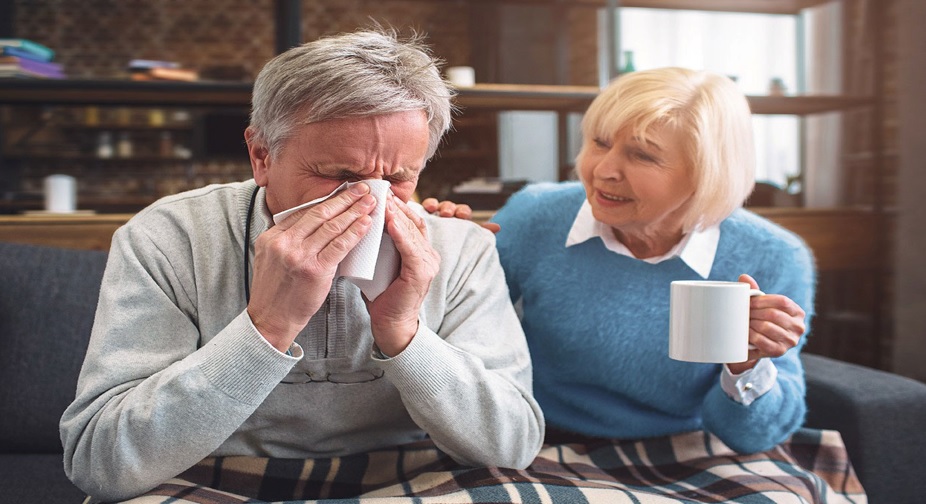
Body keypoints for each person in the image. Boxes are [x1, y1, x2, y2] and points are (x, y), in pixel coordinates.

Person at [59, 28, 544, 503]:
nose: (369, 201)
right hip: (206, 474)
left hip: (406, 475)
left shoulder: (458, 246)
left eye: (397, 177)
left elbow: (512, 446)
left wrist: (403, 331)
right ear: (261, 155)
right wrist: (267, 328)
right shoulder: (170, 238)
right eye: (339, 175)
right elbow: (101, 463)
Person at [429, 67, 812, 454]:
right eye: (599, 142)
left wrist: (745, 366)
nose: (603, 170)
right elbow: (455, 331)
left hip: (684, 449)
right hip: (536, 438)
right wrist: (440, 259)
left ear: (706, 173)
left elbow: (753, 438)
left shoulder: (773, 256)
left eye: (643, 155)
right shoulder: (535, 216)